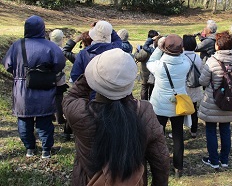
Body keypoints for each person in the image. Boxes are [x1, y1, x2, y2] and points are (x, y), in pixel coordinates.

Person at [62, 48, 170, 186]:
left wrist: (94, 72)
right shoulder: (144, 111)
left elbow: (72, 96)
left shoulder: (79, 112)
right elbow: (161, 160)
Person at [2, 15, 65, 158]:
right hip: (45, 86)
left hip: (22, 89)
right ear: (42, 29)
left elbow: (8, 65)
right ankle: (46, 150)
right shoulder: (50, 46)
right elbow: (59, 64)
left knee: (24, 119)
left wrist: (21, 73)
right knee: (44, 120)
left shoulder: (17, 45)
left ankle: (29, 149)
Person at [146, 34, 190, 177]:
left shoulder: (158, 66)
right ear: (181, 49)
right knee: (178, 136)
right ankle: (179, 167)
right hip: (178, 105)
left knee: (158, 136)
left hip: (159, 105)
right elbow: (182, 57)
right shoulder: (185, 64)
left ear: (164, 48)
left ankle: (159, 165)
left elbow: (150, 61)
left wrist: (159, 47)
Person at [198, 31, 232, 170]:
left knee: (211, 130)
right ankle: (224, 160)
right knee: (226, 130)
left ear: (218, 45)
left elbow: (202, 81)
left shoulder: (212, 61)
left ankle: (213, 159)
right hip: (229, 101)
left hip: (213, 100)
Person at [183, 35, 203, 138]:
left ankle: (179, 130)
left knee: (181, 109)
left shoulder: (181, 57)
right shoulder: (197, 57)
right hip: (195, 86)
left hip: (184, 87)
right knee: (194, 108)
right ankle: (194, 130)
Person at [134, 30, 159, 100]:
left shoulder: (145, 50)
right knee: (152, 88)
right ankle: (151, 102)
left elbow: (139, 57)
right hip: (154, 73)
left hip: (145, 73)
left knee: (144, 88)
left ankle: (144, 102)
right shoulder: (157, 49)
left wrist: (136, 52)